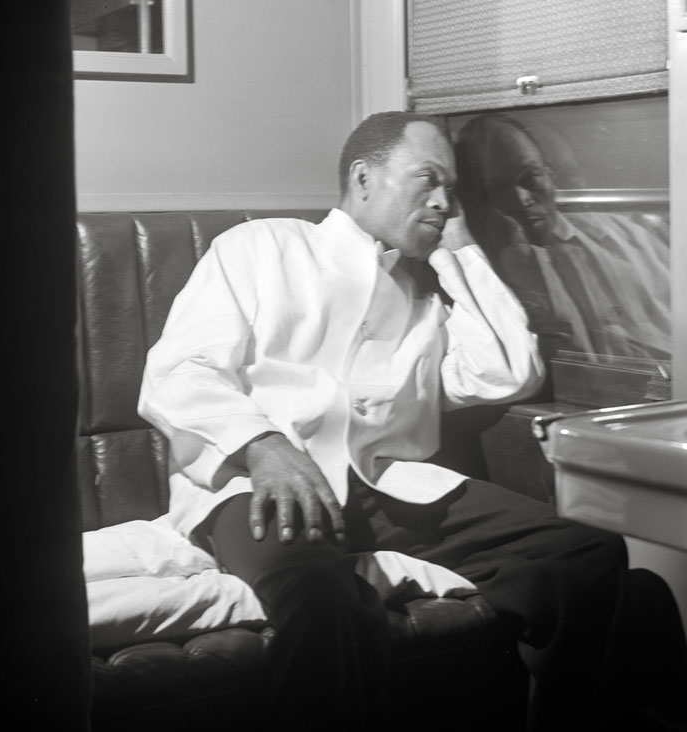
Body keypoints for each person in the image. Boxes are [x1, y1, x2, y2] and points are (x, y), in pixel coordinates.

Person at [138, 112, 629, 732]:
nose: (445, 202)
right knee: (324, 604)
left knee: (587, 551)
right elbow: (181, 369)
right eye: (428, 180)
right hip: (262, 485)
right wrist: (263, 445)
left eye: (451, 189)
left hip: (385, 490)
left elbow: (506, 373)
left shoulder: (424, 298)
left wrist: (463, 252)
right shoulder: (261, 248)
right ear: (363, 178)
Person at [454, 113, 671, 363]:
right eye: (499, 189)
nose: (522, 198)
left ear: (550, 176)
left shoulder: (629, 235)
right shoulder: (481, 276)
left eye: (530, 176)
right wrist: (520, 265)